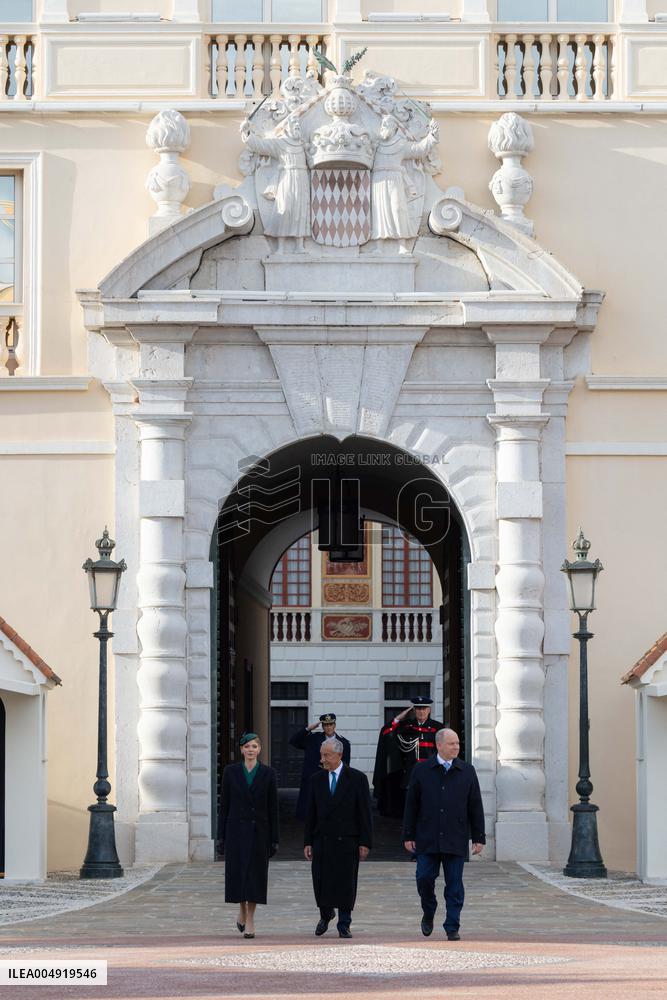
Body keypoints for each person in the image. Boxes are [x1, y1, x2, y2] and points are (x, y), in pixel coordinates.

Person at [402, 728, 485, 941]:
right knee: (424, 878)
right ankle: (429, 911)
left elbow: (475, 805)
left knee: (455, 884)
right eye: (452, 744)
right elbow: (411, 805)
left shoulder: (467, 771)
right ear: (439, 745)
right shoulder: (421, 770)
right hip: (427, 836)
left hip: (455, 836)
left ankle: (452, 925)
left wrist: (478, 837)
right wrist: (408, 835)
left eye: (458, 743)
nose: (456, 747)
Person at [303, 736, 373, 939]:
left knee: (346, 882)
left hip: (347, 839)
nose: (323, 759)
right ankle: (325, 914)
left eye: (327, 755)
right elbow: (311, 813)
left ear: (339, 755)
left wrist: (365, 842)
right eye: (321, 755)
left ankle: (344, 922)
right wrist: (307, 841)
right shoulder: (316, 779)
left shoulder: (357, 778)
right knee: (321, 881)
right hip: (322, 839)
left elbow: (364, 813)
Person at [219, 732, 279, 939]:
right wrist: (221, 837)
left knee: (255, 877)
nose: (251, 750)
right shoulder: (230, 772)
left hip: (259, 832)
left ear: (259, 749)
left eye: (254, 746)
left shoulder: (269, 774)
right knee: (238, 875)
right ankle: (242, 909)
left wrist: (274, 838)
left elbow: (273, 808)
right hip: (236, 832)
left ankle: (251, 918)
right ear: (241, 750)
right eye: (247, 747)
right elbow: (224, 806)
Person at [240, 114, 310, 253]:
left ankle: (299, 245)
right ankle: (281, 246)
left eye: (298, 126)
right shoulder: (281, 143)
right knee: (284, 209)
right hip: (287, 178)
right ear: (288, 128)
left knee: (301, 211)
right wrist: (246, 132)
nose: (297, 128)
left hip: (302, 178)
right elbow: (261, 145)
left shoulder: (303, 144)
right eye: (294, 125)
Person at [369, 114, 439, 252]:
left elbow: (419, 150)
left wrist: (432, 136)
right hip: (378, 180)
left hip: (394, 179)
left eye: (387, 124)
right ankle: (379, 246)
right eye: (383, 123)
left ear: (394, 127)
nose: (383, 126)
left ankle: (402, 245)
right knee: (379, 212)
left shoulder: (400, 144)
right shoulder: (376, 144)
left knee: (397, 209)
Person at [374, 696, 443, 815]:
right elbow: (386, 733)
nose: (421, 711)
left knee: (430, 808)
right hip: (411, 774)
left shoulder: (438, 728)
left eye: (424, 708)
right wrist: (398, 718)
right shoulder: (406, 726)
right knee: (410, 809)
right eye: (418, 709)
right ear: (414, 710)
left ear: (429, 710)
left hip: (431, 773)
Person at [290, 713, 351, 820]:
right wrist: (308, 729)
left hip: (332, 777)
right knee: (312, 811)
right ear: (322, 726)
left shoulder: (344, 742)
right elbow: (294, 741)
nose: (328, 727)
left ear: (334, 725)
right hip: (314, 776)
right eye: (326, 725)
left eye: (331, 724)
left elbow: (346, 764)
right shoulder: (313, 738)